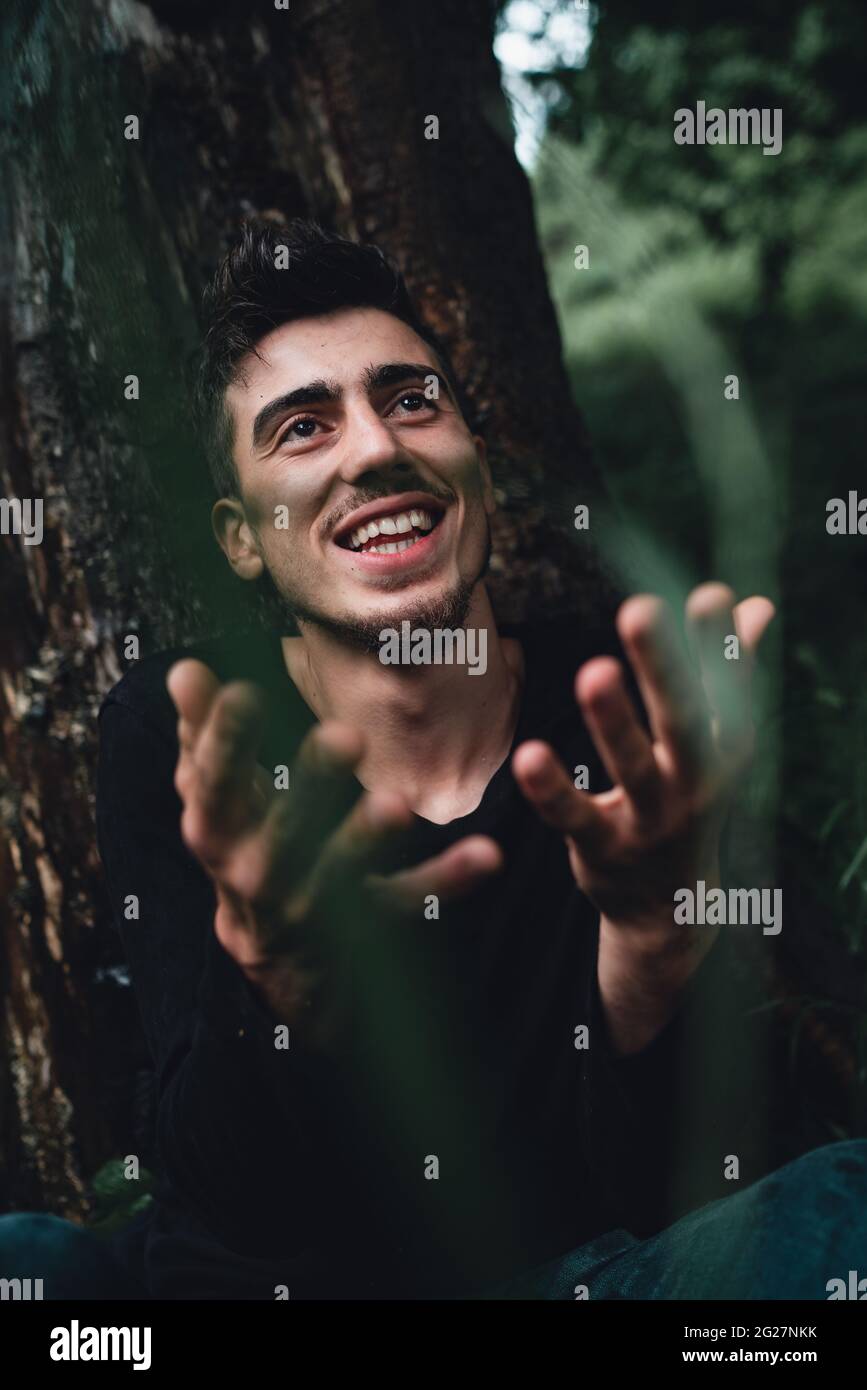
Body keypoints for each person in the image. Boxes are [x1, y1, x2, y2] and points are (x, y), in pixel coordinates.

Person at [3, 221, 865, 1300]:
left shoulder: (617, 705)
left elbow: (680, 1201)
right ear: (240, 537)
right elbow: (216, 1196)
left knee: (841, 1209)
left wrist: (653, 949)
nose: (375, 449)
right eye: (303, 427)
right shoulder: (190, 726)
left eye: (411, 399)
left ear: (479, 468)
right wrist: (266, 994)